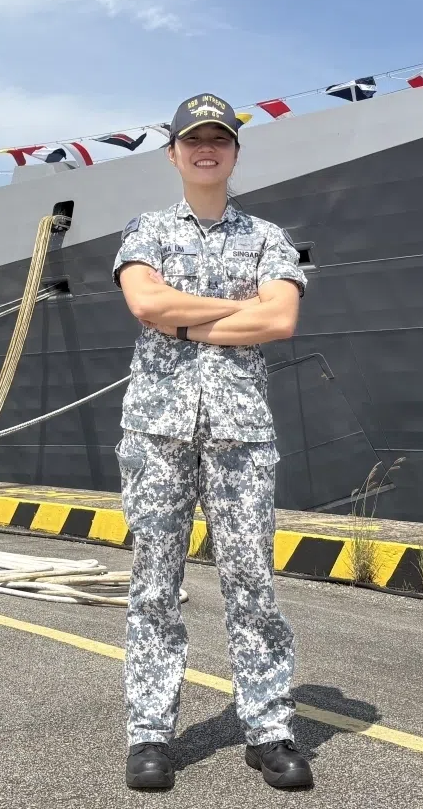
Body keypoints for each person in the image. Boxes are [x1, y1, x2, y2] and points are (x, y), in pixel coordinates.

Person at [113, 92, 313, 792]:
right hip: (157, 432)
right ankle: (150, 735)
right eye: (193, 139)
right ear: (173, 153)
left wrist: (188, 321)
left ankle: (268, 729)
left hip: (240, 435)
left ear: (233, 152)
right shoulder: (146, 231)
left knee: (252, 584)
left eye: (219, 139)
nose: (207, 148)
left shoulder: (268, 237)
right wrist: (240, 309)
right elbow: (146, 304)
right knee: (155, 588)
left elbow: (281, 319)